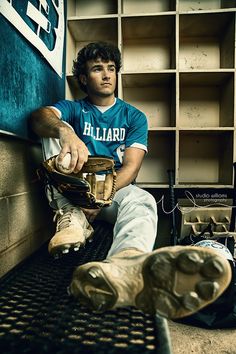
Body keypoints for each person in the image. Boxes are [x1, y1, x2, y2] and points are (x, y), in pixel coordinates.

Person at [29, 41, 232, 319]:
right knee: (50, 127)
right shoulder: (74, 109)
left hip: (112, 190)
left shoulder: (133, 116)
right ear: (83, 78)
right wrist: (65, 130)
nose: (106, 75)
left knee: (143, 200)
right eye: (97, 69)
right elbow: (38, 118)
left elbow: (131, 169)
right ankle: (71, 216)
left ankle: (126, 265)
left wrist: (100, 199)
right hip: (72, 191)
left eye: (111, 69)